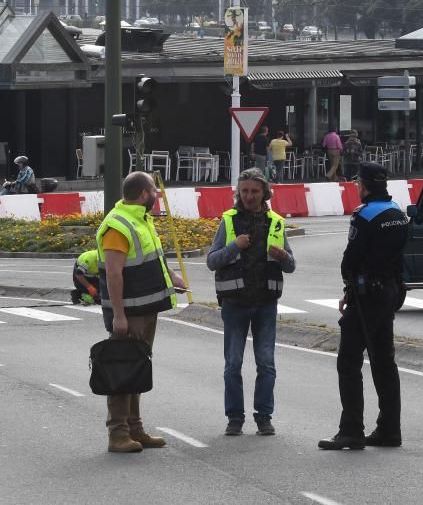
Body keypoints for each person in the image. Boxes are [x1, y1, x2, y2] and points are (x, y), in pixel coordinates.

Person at [319, 161, 408, 451]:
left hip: (367, 295)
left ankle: (351, 430)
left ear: (364, 185)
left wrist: (349, 287)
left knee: (348, 361)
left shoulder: (364, 215)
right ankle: (389, 429)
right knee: (384, 362)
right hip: (390, 292)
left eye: (358, 183)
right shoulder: (397, 213)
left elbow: (351, 259)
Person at [97, 171, 188, 453]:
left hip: (147, 308)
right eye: (154, 190)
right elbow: (114, 273)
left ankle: (135, 428)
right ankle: (118, 433)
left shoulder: (141, 220)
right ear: (143, 194)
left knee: (136, 368)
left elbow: (153, 258)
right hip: (131, 312)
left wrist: (171, 277)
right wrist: (120, 316)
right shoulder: (118, 225)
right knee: (123, 369)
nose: (157, 195)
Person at [206, 168, 296, 437]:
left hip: (266, 302)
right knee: (233, 363)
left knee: (266, 363)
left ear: (264, 193)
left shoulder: (276, 223)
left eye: (254, 191)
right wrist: (235, 246)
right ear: (238, 192)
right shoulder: (229, 221)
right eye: (244, 191)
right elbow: (212, 261)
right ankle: (235, 418)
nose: (249, 196)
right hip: (235, 303)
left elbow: (291, 265)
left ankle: (264, 417)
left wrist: (282, 257)